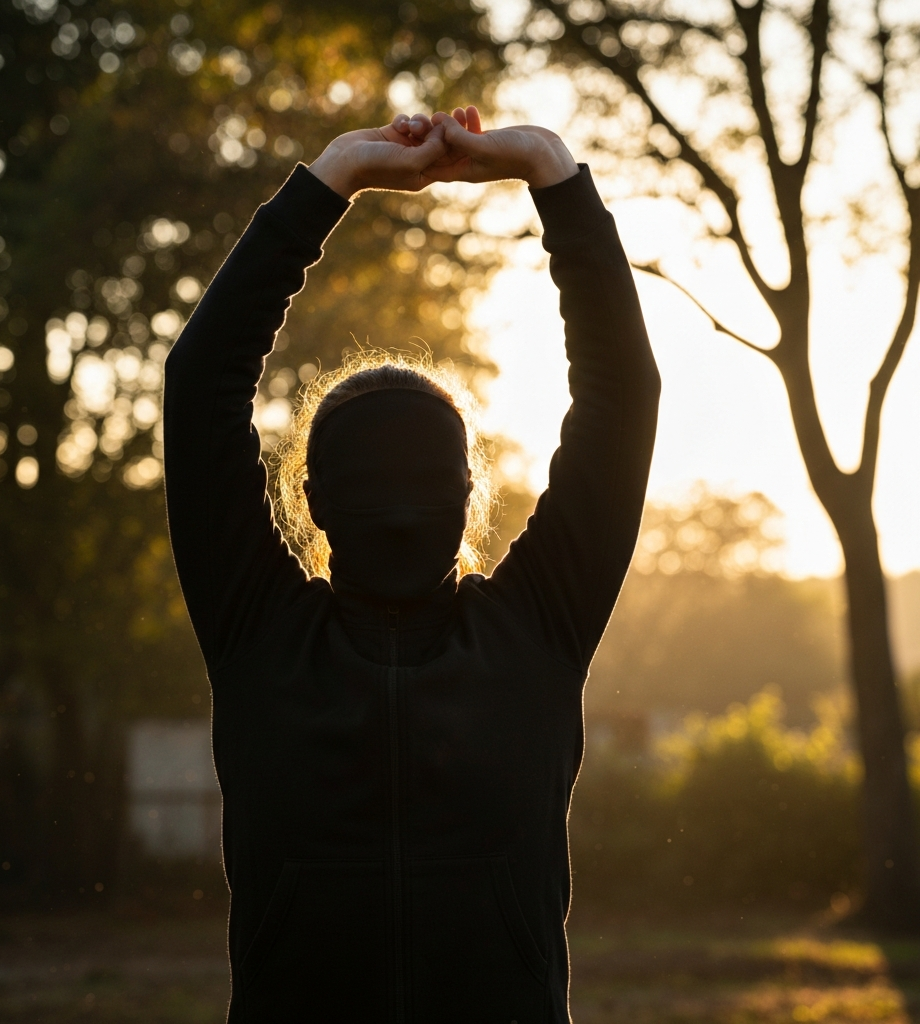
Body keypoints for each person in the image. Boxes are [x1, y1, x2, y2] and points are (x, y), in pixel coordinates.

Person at [164, 106, 660, 1023]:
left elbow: (202, 385)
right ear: (471, 496)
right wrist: (550, 171)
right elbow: (622, 397)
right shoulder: (535, 630)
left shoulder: (259, 634)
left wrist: (330, 182)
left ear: (310, 499)